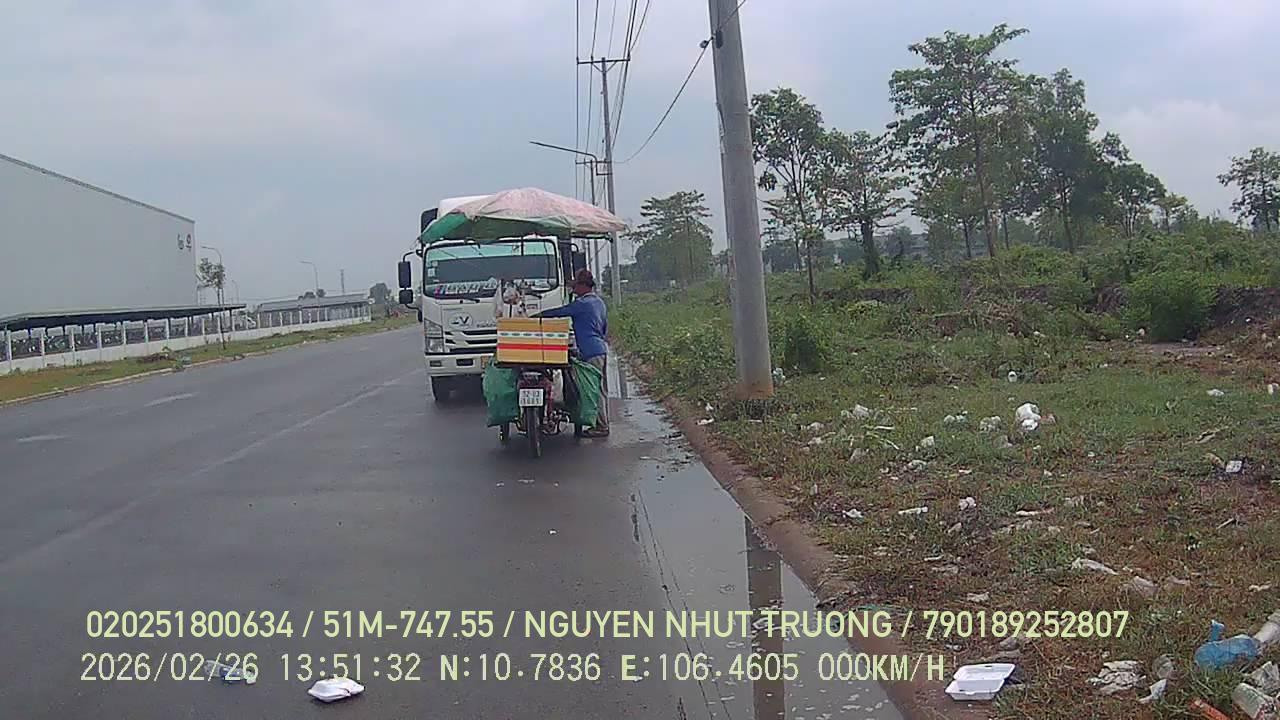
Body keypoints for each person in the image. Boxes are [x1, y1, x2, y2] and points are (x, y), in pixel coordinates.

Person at [537, 269, 609, 436]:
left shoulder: (582, 304)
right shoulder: (599, 302)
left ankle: (601, 426)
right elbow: (604, 328)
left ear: (583, 286)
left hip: (590, 352)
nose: (573, 289)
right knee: (600, 389)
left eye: (575, 286)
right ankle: (603, 423)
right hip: (600, 349)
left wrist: (538, 316)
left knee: (592, 390)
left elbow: (559, 312)